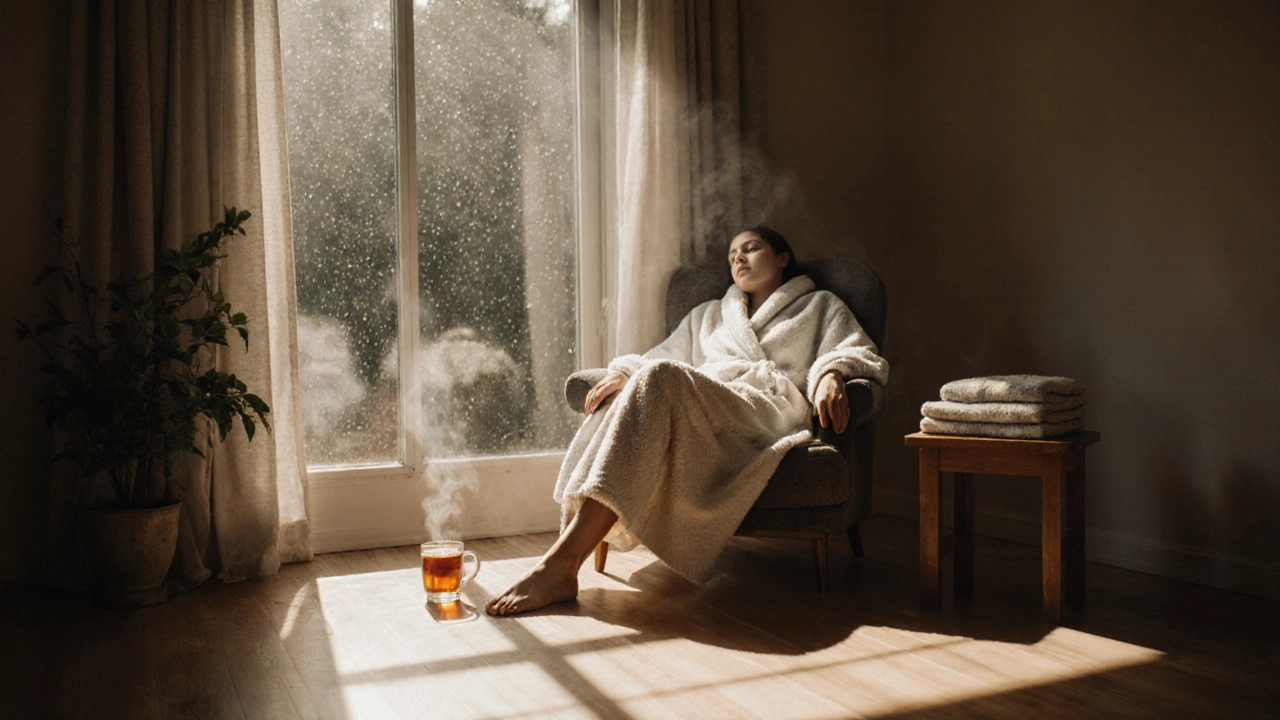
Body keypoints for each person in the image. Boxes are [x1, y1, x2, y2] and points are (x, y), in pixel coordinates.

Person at [486, 226, 889, 616]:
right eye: (733, 256)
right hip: (708, 409)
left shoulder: (820, 305)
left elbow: (856, 350)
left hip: (767, 409)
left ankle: (558, 566)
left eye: (750, 248)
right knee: (650, 379)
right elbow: (664, 353)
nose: (739, 258)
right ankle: (562, 562)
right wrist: (626, 372)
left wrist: (832, 373)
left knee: (660, 376)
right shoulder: (708, 315)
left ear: (782, 258)